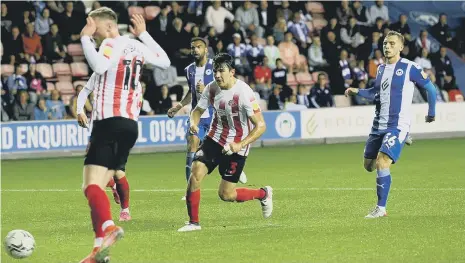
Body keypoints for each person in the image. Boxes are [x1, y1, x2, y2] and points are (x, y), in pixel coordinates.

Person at [76, 9, 170, 262]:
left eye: (94, 30)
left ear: (107, 27)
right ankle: (98, 250)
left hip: (109, 122)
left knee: (91, 186)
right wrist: (145, 35)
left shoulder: (110, 42)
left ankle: (108, 227)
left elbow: (98, 65)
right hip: (130, 126)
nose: (93, 35)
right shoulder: (135, 45)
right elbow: (165, 62)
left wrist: (84, 39)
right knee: (103, 181)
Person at [177, 53, 273, 232]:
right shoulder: (212, 88)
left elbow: (260, 126)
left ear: (232, 72)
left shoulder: (244, 93)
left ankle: (263, 193)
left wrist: (241, 144)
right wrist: (193, 123)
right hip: (215, 138)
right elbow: (197, 110)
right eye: (215, 71)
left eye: (221, 71)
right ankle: (193, 223)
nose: (218, 75)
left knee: (226, 194)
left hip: (237, 146)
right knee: (195, 173)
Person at [345, 31, 436, 218]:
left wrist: (431, 112)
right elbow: (374, 93)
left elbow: (430, 88)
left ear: (401, 47)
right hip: (378, 125)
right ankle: (403, 139)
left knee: (382, 161)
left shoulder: (410, 68)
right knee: (368, 166)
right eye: (385, 43)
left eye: (392, 43)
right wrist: (357, 91)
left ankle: (381, 208)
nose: (387, 46)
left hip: (397, 124)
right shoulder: (380, 69)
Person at [168, 37, 247, 201]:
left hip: (215, 118)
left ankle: (231, 165)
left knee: (218, 150)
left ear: (206, 49)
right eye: (192, 47)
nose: (195, 50)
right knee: (192, 144)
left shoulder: (216, 66)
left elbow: (227, 86)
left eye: (199, 47)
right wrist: (179, 106)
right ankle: (189, 188)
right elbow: (191, 93)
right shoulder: (189, 69)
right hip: (197, 116)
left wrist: (206, 90)